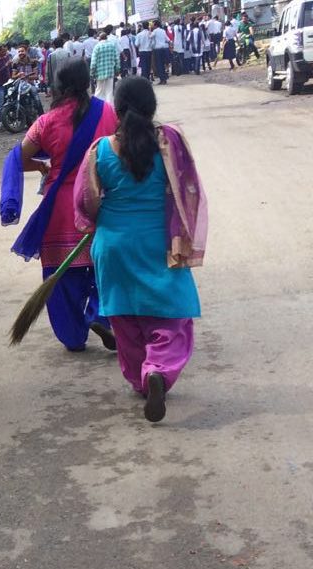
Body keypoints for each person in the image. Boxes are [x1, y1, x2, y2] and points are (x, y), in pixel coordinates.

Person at [74, 76, 206, 422]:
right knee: (170, 318)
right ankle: (158, 370)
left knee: (126, 323)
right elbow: (189, 187)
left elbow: (85, 203)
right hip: (159, 243)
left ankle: (142, 378)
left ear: (116, 111)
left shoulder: (99, 151)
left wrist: (105, 219)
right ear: (153, 108)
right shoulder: (170, 142)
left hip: (114, 247)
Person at [16, 59, 119, 352]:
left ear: (58, 85)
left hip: (60, 211)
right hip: (99, 203)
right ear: (88, 81)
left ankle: (73, 336)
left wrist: (42, 169)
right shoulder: (108, 113)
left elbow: (20, 157)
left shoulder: (46, 122)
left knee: (61, 277)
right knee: (104, 268)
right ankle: (101, 315)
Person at [91, 31, 120, 102]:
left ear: (99, 38)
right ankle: (109, 109)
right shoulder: (112, 46)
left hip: (99, 74)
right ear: (106, 38)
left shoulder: (97, 47)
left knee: (99, 92)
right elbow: (117, 59)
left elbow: (93, 63)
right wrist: (117, 71)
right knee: (109, 93)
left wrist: (92, 73)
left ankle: (97, 108)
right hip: (110, 72)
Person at [151, 19, 171, 83]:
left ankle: (162, 79)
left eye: (153, 24)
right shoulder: (163, 31)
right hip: (164, 49)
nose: (152, 25)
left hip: (157, 50)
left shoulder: (155, 31)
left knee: (159, 65)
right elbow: (167, 39)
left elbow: (150, 36)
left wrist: (149, 31)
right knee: (163, 64)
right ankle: (164, 78)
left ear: (155, 25)